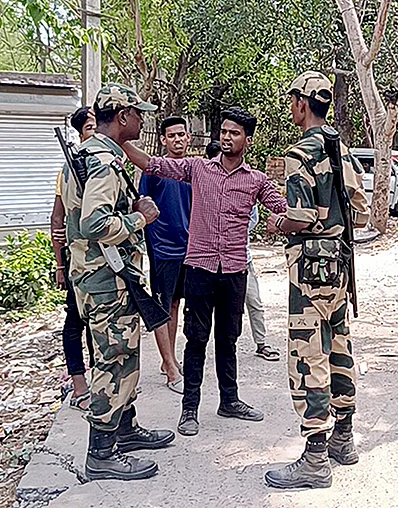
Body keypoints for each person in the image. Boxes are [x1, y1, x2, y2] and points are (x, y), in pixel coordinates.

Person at [122, 107, 288, 437]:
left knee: (228, 339)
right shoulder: (198, 168)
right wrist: (121, 140)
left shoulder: (256, 180)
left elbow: (284, 208)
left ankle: (230, 400)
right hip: (199, 268)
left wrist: (281, 222)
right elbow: (154, 165)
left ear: (248, 140)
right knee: (196, 340)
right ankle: (189, 409)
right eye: (223, 131)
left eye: (234, 133)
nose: (226, 137)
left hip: (235, 271)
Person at [61, 83, 175, 481]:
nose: (142, 119)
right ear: (123, 116)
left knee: (120, 357)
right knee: (115, 361)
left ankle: (124, 429)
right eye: (138, 113)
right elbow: (95, 223)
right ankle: (102, 453)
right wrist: (141, 217)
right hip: (107, 279)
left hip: (96, 276)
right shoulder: (104, 162)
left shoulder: (87, 153)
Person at [264, 71, 370, 489]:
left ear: (302, 104)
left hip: (309, 270)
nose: (292, 109)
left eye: (293, 102)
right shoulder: (342, 149)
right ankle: (344, 438)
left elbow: (303, 216)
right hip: (340, 266)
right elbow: (361, 211)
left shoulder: (301, 153)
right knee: (340, 347)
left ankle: (314, 459)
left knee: (309, 356)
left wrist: (277, 222)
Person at [139, 116, 193, 395]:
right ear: (163, 140)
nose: (177, 139)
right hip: (163, 248)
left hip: (190, 248)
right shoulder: (153, 170)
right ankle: (171, 368)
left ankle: (168, 359)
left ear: (189, 137)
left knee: (176, 305)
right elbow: (142, 204)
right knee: (163, 305)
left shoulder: (195, 169)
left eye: (181, 134)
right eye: (171, 135)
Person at [51, 106, 95, 412]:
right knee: (75, 322)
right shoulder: (69, 169)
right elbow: (57, 220)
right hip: (79, 260)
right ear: (80, 134)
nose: (95, 133)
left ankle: (102, 384)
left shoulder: (105, 164)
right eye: (90, 127)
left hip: (104, 261)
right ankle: (80, 386)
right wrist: (60, 264)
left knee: (98, 326)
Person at [246, 205, 280, 361]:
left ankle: (261, 343)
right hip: (218, 258)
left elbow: (252, 221)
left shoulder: (248, 195)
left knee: (254, 302)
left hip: (243, 260)